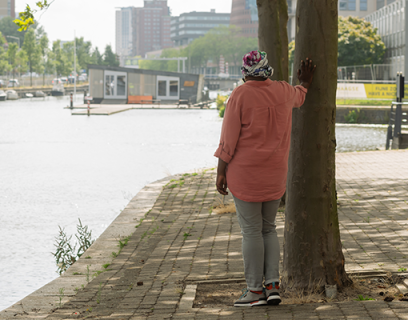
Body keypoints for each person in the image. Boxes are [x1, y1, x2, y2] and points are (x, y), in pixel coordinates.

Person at [214, 50, 316, 307]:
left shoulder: (240, 95)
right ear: (267, 69)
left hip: (246, 175)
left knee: (251, 231)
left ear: (245, 72)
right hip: (275, 175)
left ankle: (254, 291)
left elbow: (228, 139)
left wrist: (220, 171)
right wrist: (305, 81)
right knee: (268, 228)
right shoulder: (283, 91)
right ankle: (272, 287)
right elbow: (300, 96)